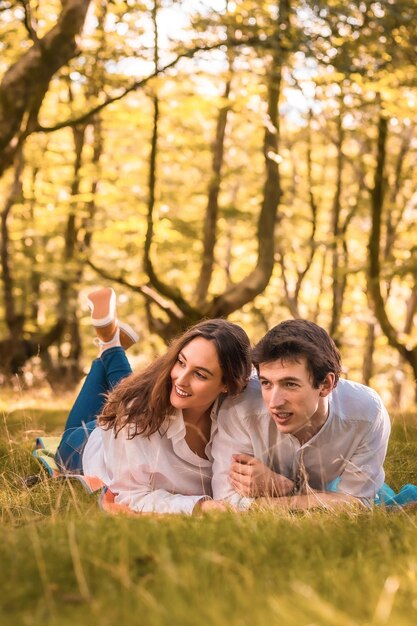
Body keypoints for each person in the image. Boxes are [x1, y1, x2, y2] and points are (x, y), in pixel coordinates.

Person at [56, 287, 252, 515]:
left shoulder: (240, 409)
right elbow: (132, 496)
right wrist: (201, 506)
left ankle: (109, 345)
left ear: (228, 384)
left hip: (131, 419)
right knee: (132, 399)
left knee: (138, 391)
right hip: (82, 446)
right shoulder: (134, 417)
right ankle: (110, 344)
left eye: (200, 374)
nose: (181, 378)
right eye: (181, 362)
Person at [212, 319, 396, 511]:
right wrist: (327, 500)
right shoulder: (240, 408)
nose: (274, 402)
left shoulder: (366, 414)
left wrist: (282, 488)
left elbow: (358, 504)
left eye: (290, 384)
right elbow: (227, 502)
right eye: (266, 383)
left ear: (325, 384)